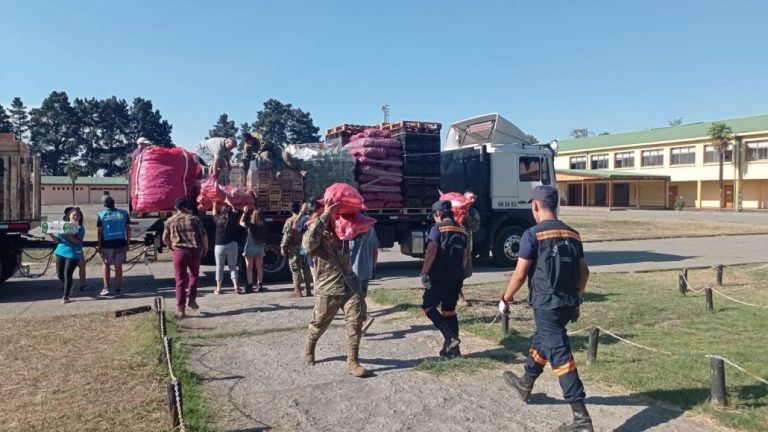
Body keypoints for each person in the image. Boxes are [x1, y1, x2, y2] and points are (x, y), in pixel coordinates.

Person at [498, 185, 593, 432]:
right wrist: (578, 297)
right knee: (543, 341)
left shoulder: (533, 234)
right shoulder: (573, 233)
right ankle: (525, 383)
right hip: (567, 303)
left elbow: (520, 274)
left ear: (535, 206)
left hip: (546, 304)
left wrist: (506, 298)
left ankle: (582, 420)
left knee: (560, 356)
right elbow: (584, 271)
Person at [302, 200, 368, 377]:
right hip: (328, 287)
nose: (324, 215)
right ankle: (310, 346)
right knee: (319, 323)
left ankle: (353, 362)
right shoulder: (311, 231)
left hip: (350, 284)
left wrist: (356, 215)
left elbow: (360, 233)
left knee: (355, 323)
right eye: (318, 214)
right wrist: (323, 217)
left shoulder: (340, 227)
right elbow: (308, 245)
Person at [420, 200, 468, 358]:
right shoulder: (461, 229)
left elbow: (432, 250)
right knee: (449, 310)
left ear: (439, 213)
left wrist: (424, 272)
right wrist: (460, 273)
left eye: (434, 215)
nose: (434, 218)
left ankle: (450, 337)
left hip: (439, 276)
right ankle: (454, 351)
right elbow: (465, 255)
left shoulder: (437, 228)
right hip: (456, 277)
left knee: (428, 306)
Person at [163, 197, 209, 318]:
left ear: (176, 207)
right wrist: (205, 247)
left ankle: (180, 309)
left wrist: (170, 246)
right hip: (194, 251)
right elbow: (204, 235)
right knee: (194, 275)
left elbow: (165, 238)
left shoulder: (170, 220)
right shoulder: (195, 219)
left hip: (179, 252)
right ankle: (192, 299)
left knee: (180, 280)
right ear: (187, 207)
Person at [49, 207, 85, 304]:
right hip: (61, 251)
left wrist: (69, 235)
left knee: (67, 274)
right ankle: (71, 284)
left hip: (73, 253)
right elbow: (58, 240)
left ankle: (66, 296)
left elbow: (78, 242)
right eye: (74, 215)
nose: (76, 217)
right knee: (60, 274)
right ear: (69, 216)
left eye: (78, 216)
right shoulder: (62, 226)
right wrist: (50, 234)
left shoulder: (80, 228)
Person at [97, 196, 131, 297]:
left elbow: (100, 231)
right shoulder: (124, 213)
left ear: (104, 204)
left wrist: (99, 245)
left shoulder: (101, 214)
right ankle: (117, 289)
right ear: (114, 202)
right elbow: (128, 229)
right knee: (118, 267)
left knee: (106, 264)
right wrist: (128, 243)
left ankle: (106, 288)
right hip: (121, 243)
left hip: (107, 244)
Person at [349, 225, 379, 335]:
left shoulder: (350, 229)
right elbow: (375, 251)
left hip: (353, 271)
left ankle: (361, 321)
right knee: (361, 297)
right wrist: (373, 267)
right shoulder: (371, 229)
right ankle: (361, 322)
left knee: (353, 301)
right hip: (367, 270)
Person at [281, 201, 312, 297]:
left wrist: (283, 247)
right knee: (306, 267)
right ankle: (308, 289)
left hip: (295, 248)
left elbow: (287, 235)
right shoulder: (306, 219)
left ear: (290, 210)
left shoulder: (290, 221)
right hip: (304, 247)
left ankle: (297, 290)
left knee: (295, 268)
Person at [212, 202, 243, 294]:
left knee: (219, 267)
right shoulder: (234, 219)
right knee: (233, 266)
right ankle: (236, 287)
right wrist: (230, 202)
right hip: (232, 245)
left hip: (219, 245)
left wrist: (214, 205)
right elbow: (234, 210)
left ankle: (218, 288)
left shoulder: (218, 219)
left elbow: (214, 213)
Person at [459, 190, 481, 306]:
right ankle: (458, 295)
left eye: (474, 199)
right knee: (456, 270)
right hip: (454, 244)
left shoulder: (473, 212)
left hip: (465, 245)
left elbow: (475, 227)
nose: (472, 200)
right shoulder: (455, 207)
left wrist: (467, 216)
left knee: (465, 271)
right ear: (464, 195)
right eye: (471, 197)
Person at [240, 207, 266, 293]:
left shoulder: (250, 225)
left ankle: (250, 285)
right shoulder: (263, 225)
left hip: (250, 247)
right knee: (259, 267)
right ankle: (260, 285)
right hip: (260, 247)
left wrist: (244, 213)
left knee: (249, 268)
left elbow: (240, 222)